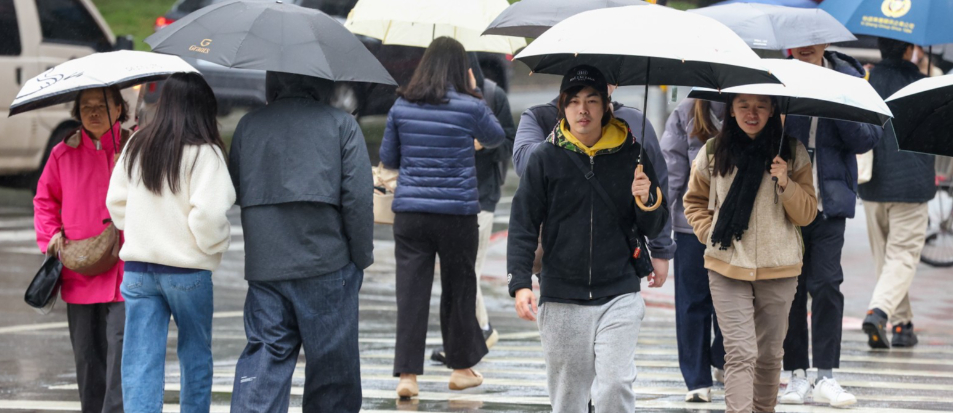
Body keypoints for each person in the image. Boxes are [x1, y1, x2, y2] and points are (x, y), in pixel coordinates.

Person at [508, 65, 669, 412]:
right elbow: (523, 223)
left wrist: (646, 199)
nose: (582, 110)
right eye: (573, 101)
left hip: (620, 292)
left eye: (592, 100)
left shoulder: (633, 153)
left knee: (614, 386)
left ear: (606, 106)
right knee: (569, 399)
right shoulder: (545, 156)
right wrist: (520, 283)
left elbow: (655, 225)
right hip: (561, 296)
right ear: (562, 107)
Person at [228, 71, 374, 412]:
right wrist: (360, 257)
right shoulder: (342, 125)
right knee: (332, 372)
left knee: (265, 358)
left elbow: (236, 187)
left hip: (265, 263)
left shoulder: (249, 126)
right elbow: (358, 199)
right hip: (326, 261)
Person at [379, 36, 504, 398]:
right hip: (457, 213)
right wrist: (474, 92)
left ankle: (407, 377)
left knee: (411, 294)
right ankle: (462, 370)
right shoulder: (470, 105)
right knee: (459, 289)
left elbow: (389, 158)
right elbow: (496, 136)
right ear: (461, 69)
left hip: (412, 214)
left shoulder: (402, 105)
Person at [106, 72, 234, 413]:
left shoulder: (137, 143)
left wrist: (141, 228)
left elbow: (116, 203)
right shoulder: (205, 153)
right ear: (204, 109)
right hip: (186, 271)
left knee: (140, 360)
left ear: (164, 103)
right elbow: (208, 216)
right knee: (195, 355)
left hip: (138, 270)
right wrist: (215, 245)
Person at [683, 93, 817, 413]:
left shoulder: (793, 152)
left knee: (769, 355)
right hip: (726, 266)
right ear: (731, 109)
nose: (751, 113)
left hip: (779, 268)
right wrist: (711, 234)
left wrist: (786, 182)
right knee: (741, 352)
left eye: (760, 106)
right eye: (743, 105)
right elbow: (694, 201)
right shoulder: (713, 151)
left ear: (773, 110)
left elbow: (807, 213)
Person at [779, 44, 882, 407]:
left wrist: (836, 100)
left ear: (824, 41)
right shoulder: (779, 77)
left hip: (830, 203)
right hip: (788, 202)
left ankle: (826, 374)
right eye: (797, 39)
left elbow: (867, 138)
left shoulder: (850, 79)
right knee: (790, 288)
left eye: (812, 38)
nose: (804, 45)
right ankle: (796, 374)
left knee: (826, 284)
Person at [512, 76, 676, 289]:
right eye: (574, 101)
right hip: (561, 262)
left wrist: (661, 249)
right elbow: (523, 165)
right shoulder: (540, 115)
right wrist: (574, 132)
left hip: (620, 262)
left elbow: (657, 186)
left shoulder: (634, 120)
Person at [34, 86, 130, 413]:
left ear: (119, 108)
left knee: (121, 356)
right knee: (88, 362)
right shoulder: (62, 153)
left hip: (125, 272)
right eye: (86, 106)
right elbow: (44, 201)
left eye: (101, 105)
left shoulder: (135, 149)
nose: (93, 112)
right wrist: (51, 236)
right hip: (79, 270)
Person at [430, 54, 517, 364]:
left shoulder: (493, 96)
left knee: (467, 270)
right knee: (458, 272)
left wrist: (484, 143)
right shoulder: (442, 99)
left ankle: (480, 331)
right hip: (450, 197)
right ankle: (467, 338)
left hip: (482, 195)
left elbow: (509, 142)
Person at [859, 37, 935, 351]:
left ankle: (903, 325)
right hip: (912, 185)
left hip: (873, 183)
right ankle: (878, 312)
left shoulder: (866, 81)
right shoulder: (924, 85)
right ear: (909, 49)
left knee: (886, 260)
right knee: (902, 257)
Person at [660, 98, 727, 403]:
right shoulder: (686, 112)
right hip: (692, 225)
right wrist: (659, 223)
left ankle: (723, 357)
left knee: (734, 300)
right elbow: (672, 169)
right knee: (692, 302)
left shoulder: (748, 105)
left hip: (738, 226)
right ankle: (697, 379)